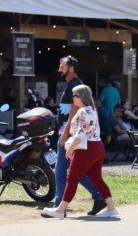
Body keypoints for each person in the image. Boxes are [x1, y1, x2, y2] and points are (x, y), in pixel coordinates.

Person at [41, 85, 118, 219]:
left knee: (72, 178)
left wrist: (69, 148)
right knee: (96, 179)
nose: (73, 98)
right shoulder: (92, 109)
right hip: (97, 146)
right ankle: (111, 208)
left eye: (75, 95)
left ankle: (60, 210)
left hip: (86, 148)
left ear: (82, 97)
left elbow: (80, 133)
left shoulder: (83, 112)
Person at [54, 56, 105, 215]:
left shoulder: (75, 87)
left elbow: (73, 113)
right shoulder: (72, 85)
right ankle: (99, 197)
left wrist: (64, 135)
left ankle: (58, 206)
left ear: (71, 68)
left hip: (69, 135)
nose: (59, 69)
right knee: (75, 170)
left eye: (62, 66)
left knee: (61, 169)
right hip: (70, 134)